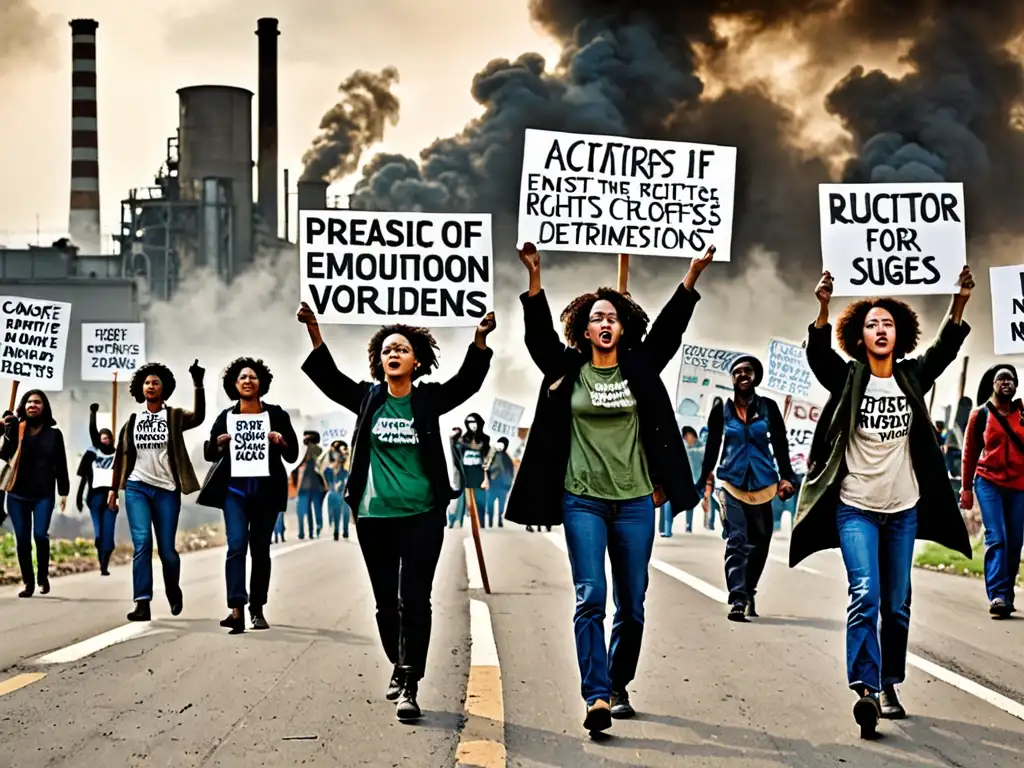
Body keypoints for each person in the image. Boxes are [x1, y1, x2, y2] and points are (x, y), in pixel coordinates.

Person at [506, 242, 712, 734]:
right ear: (583, 327)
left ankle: (619, 682)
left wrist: (693, 274)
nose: (604, 323)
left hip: (637, 502)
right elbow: (537, 339)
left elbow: (668, 331)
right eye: (596, 317)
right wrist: (535, 278)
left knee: (633, 603)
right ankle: (597, 695)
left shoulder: (639, 367)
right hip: (583, 500)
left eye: (612, 317)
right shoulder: (567, 370)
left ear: (622, 328)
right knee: (590, 595)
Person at [791, 268, 974, 739]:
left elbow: (944, 350)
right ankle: (867, 690)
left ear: (900, 333)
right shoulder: (848, 377)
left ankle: (889, 682)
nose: (880, 330)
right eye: (872, 324)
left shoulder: (912, 376)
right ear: (859, 334)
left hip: (903, 510)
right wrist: (824, 307)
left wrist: (960, 301)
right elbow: (817, 355)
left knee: (895, 605)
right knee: (865, 594)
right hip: (855, 507)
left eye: (887, 323)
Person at [297, 300, 496, 722]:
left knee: (415, 600)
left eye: (402, 348)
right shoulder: (368, 399)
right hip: (374, 518)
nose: (394, 353)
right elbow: (330, 380)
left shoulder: (427, 401)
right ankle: (398, 662)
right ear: (378, 359)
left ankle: (409, 680)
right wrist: (315, 331)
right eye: (387, 349)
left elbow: (467, 383)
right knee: (387, 604)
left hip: (422, 515)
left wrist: (479, 342)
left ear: (417, 360)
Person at [198, 357, 298, 632]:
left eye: (253, 377)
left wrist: (280, 440)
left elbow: (293, 454)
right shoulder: (226, 417)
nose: (247, 381)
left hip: (266, 492)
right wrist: (218, 443)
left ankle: (257, 608)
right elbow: (209, 453)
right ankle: (236, 608)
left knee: (261, 551)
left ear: (261, 383)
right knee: (236, 545)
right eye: (242, 377)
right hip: (235, 492)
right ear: (234, 384)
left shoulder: (276, 415)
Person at [698, 356, 796, 620]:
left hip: (764, 483)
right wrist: (704, 480)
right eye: (737, 371)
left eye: (748, 371)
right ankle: (738, 598)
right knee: (737, 539)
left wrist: (787, 476)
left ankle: (750, 588)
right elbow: (712, 448)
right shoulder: (721, 410)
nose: (743, 374)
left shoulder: (769, 408)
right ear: (732, 378)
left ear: (755, 377)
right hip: (731, 483)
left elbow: (780, 443)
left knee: (761, 541)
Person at [109, 360, 206, 622]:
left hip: (166, 489)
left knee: (167, 551)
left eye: (156, 382)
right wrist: (113, 490)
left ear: (164, 389)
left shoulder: (173, 416)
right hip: (136, 487)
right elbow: (120, 457)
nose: (151, 386)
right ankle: (142, 602)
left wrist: (198, 383)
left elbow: (198, 417)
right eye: (147, 382)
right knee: (142, 545)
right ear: (140, 388)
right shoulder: (132, 421)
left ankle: (173, 588)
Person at [961, 364, 1024, 618]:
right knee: (997, 537)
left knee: (1015, 542)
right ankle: (997, 594)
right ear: (993, 385)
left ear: (1016, 385)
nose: (1005, 382)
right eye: (1001, 379)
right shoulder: (980, 415)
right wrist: (966, 488)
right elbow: (969, 453)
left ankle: (1007, 594)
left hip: (1019, 485)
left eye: (1010, 379)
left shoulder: (1022, 414)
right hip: (988, 482)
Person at [0, 391, 70, 598]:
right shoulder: (17, 428)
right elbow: (4, 455)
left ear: (44, 407)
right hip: (17, 494)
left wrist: (63, 492)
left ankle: (42, 577)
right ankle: (28, 582)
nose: (33, 405)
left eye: (37, 402)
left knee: (40, 535)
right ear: (24, 406)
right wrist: (7, 429)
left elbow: (61, 464)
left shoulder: (54, 434)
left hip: (43, 495)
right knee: (22, 540)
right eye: (29, 402)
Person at [77, 403, 117, 574]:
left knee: (108, 538)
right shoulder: (93, 453)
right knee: (99, 534)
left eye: (106, 437)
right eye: (101, 437)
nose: (103, 440)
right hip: (94, 497)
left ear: (111, 439)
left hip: (111, 497)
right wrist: (93, 413)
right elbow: (83, 478)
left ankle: (104, 565)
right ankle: (99, 554)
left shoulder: (118, 455)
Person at [452, 414, 491, 527]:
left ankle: (482, 522)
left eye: (474, 422)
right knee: (463, 499)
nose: (472, 425)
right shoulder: (463, 439)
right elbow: (457, 455)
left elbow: (487, 455)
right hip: (466, 471)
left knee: (480, 499)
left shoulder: (485, 439)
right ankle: (458, 520)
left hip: (478, 471)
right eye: (469, 422)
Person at [293, 431, 327, 539]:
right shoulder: (319, 450)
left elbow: (296, 465)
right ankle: (316, 528)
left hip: (306, 485)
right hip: (316, 485)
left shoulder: (307, 450)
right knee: (316, 508)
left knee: (307, 510)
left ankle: (311, 530)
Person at [483, 436, 514, 527]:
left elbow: (510, 472)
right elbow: (486, 468)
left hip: (501, 485)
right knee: (492, 504)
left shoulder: (505, 458)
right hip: (495, 484)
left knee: (497, 504)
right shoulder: (493, 455)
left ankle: (497, 520)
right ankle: (492, 521)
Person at [324, 442, 350, 540]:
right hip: (335, 493)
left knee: (346, 512)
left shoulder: (345, 469)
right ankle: (336, 532)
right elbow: (326, 474)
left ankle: (346, 532)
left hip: (344, 492)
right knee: (336, 512)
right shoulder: (329, 470)